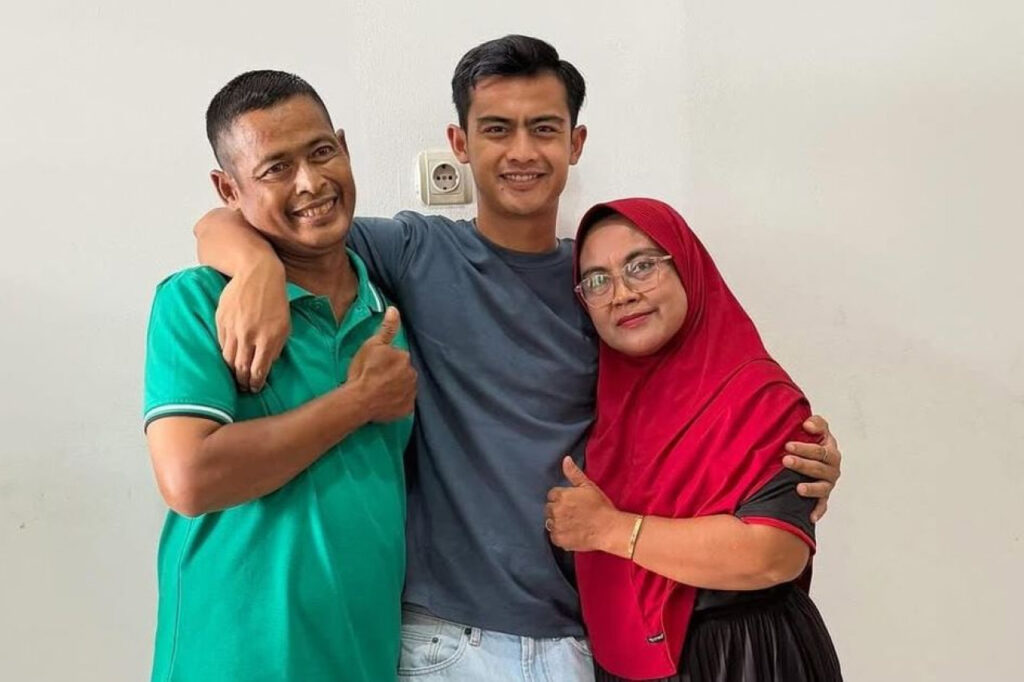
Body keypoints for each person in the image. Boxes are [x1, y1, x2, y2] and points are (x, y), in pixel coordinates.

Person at [194, 36, 842, 681]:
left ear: (576, 143)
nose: (523, 152)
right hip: (447, 641)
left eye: (544, 128)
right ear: (460, 143)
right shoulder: (417, 253)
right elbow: (246, 221)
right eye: (497, 129)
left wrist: (784, 463)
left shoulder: (603, 286)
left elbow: (691, 413)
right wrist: (254, 268)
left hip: (584, 637)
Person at [143, 71, 416, 681]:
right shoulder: (196, 301)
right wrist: (358, 401)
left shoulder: (388, 312)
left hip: (362, 660)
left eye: (321, 152)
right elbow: (190, 478)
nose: (311, 182)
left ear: (344, 147)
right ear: (228, 188)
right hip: (231, 663)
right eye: (276, 168)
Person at [545, 198, 841, 681]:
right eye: (598, 281)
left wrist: (609, 530)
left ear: (686, 267)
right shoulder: (599, 403)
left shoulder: (761, 398)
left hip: (745, 658)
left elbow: (773, 555)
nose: (622, 294)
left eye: (641, 266)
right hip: (626, 659)